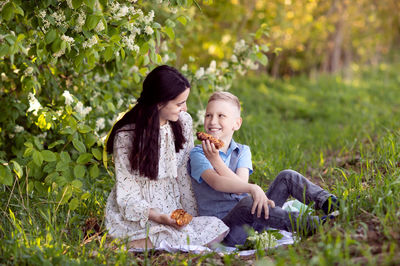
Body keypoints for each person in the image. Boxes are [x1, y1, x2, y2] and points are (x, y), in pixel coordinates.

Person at [189, 91, 339, 247]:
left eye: (221, 116)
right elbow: (217, 183)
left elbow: (240, 184)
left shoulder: (242, 150)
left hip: (259, 220)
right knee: (247, 203)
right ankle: (311, 225)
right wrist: (216, 160)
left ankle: (332, 205)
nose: (213, 121)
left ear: (237, 124)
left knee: (287, 176)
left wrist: (250, 187)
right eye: (208, 115)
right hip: (228, 232)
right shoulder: (198, 153)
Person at [105, 65, 229, 249]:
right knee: (171, 235)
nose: (185, 108)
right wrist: (159, 217)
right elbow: (128, 194)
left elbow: (184, 175)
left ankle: (158, 243)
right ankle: (128, 243)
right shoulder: (126, 137)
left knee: (218, 228)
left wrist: (190, 215)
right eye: (179, 103)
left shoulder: (183, 122)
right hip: (142, 212)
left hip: (173, 208)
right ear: (159, 102)